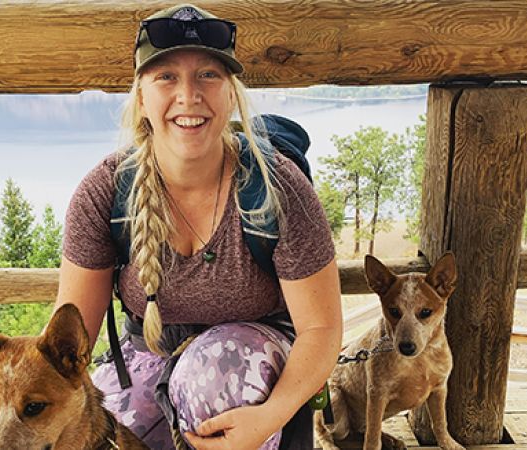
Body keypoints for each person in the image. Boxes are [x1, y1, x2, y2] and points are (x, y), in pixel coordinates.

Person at [55, 4, 341, 449]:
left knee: (214, 370)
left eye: (208, 75)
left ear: (231, 93)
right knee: (90, 430)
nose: (188, 95)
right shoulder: (105, 193)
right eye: (166, 76)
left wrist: (271, 415)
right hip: (148, 354)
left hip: (247, 366)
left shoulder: (276, 187)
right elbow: (69, 345)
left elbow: (321, 330)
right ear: (141, 96)